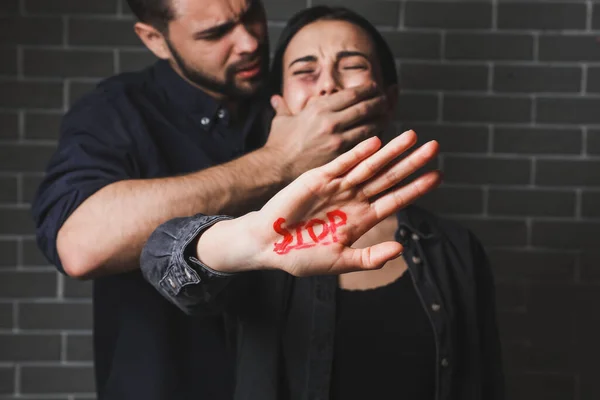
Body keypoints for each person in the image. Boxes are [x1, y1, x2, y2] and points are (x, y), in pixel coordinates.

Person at [30, 0, 428, 399]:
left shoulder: (291, 101)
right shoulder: (116, 112)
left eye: (251, 13)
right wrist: (276, 162)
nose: (250, 42)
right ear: (156, 40)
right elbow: (80, 246)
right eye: (216, 32)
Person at [141, 6, 505, 400]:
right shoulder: (259, 240)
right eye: (304, 70)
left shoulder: (454, 248)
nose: (328, 84)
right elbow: (159, 256)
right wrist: (249, 238)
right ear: (279, 106)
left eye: (351, 65)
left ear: (388, 99)